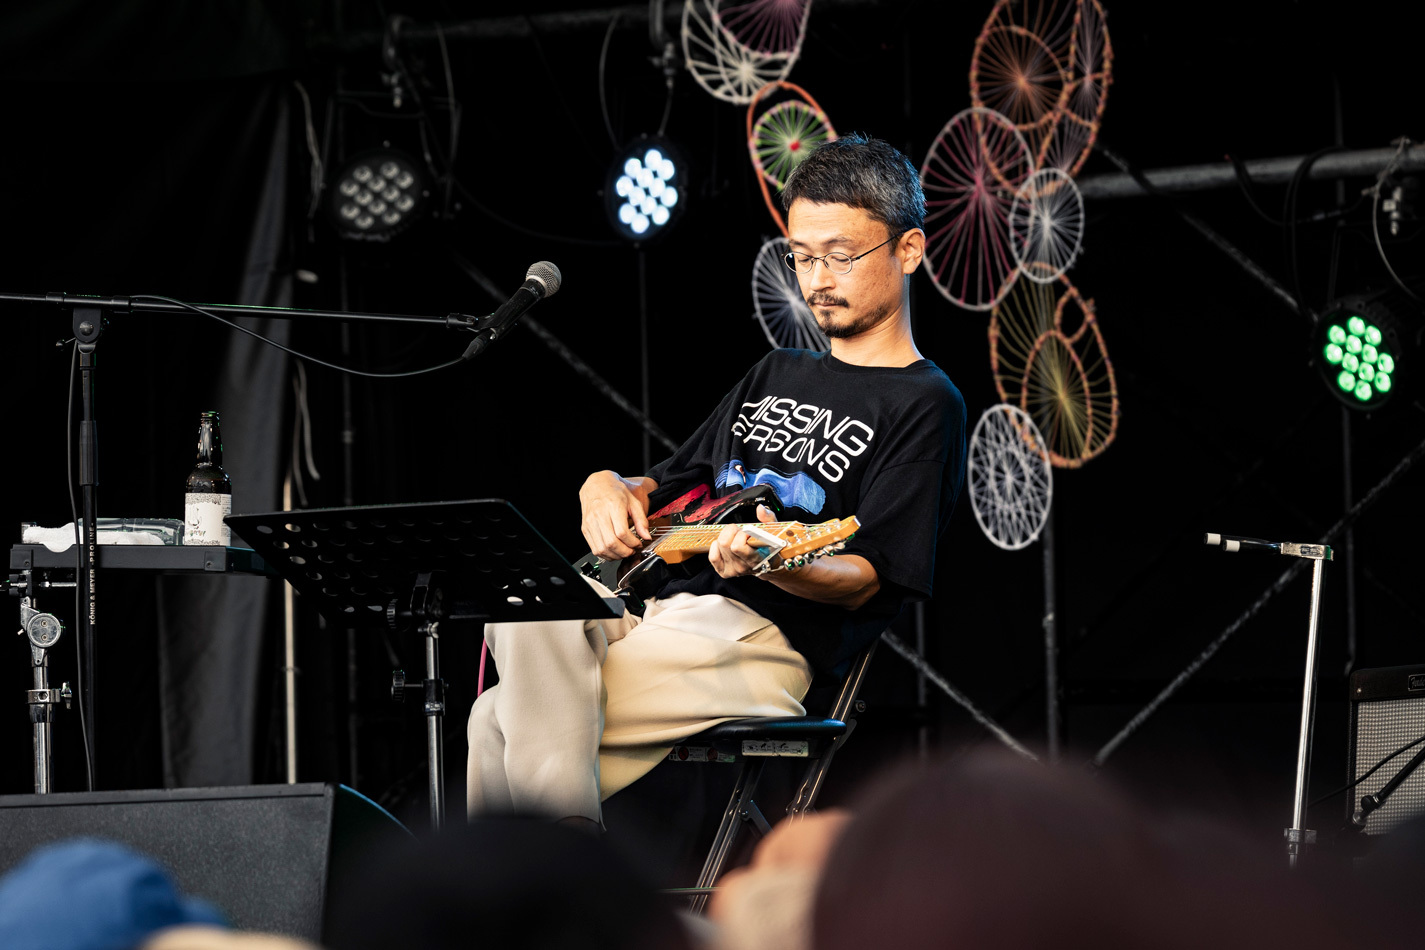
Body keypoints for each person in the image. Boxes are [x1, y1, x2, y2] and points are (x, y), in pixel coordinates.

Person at [466, 133, 967, 828]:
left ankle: (539, 878)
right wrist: (602, 484)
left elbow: (867, 575)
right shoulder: (775, 371)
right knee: (525, 601)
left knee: (495, 718)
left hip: (757, 642)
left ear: (907, 250)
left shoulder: (926, 403)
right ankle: (556, 869)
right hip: (656, 615)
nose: (818, 279)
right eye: (802, 256)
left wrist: (776, 564)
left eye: (840, 256)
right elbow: (668, 485)